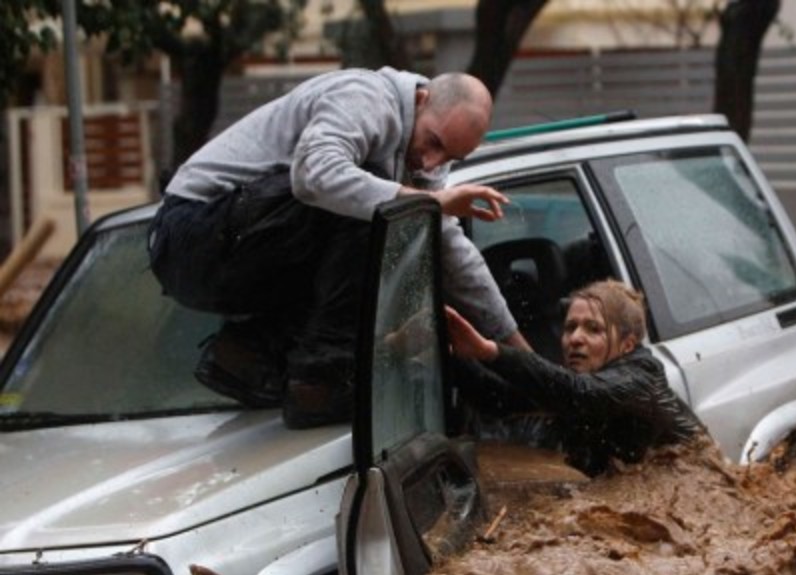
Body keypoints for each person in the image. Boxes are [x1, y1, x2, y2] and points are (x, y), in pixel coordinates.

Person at [147, 70, 527, 429]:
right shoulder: (366, 97)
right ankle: (319, 382)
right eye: (434, 143)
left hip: (242, 245)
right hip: (189, 236)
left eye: (449, 158)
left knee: (402, 231)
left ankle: (248, 353)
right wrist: (430, 203)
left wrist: (520, 356)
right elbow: (314, 175)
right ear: (421, 99)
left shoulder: (421, 159)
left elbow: (449, 250)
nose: (431, 162)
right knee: (378, 206)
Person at [445, 280, 707, 476]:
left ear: (627, 345)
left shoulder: (640, 377)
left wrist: (490, 351)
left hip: (699, 481)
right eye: (570, 327)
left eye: (594, 329)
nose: (575, 339)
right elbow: (499, 399)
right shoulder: (582, 379)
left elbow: (580, 393)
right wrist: (447, 352)